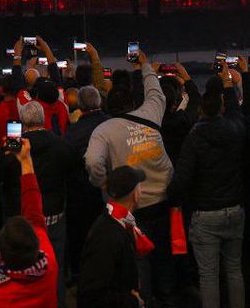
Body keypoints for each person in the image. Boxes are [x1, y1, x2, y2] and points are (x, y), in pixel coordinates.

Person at [84, 49, 172, 306]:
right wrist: (144, 65)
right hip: (163, 200)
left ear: (109, 107)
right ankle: (166, 297)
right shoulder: (150, 114)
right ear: (133, 102)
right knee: (164, 257)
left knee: (139, 262)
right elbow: (156, 92)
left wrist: (103, 183)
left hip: (132, 209)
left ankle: (142, 301)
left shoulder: (104, 130)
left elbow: (91, 161)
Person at [168, 62, 250, 308]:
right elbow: (238, 111)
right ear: (223, 107)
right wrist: (228, 83)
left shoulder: (194, 137)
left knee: (208, 275)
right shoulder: (236, 128)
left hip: (205, 212)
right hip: (234, 209)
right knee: (234, 270)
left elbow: (182, 178)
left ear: (201, 111)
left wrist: (170, 196)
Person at [0, 101, 76, 307]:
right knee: (54, 264)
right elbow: (72, 171)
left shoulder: (14, 149)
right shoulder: (61, 145)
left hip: (20, 216)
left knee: (19, 268)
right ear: (43, 119)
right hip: (54, 214)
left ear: (22, 121)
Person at [0, 138, 57, 308]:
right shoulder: (50, 265)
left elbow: (33, 210)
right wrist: (26, 160)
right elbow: (33, 209)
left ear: (1, 255)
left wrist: (25, 160)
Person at [77, 166, 154, 308]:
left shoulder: (119, 222)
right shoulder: (107, 236)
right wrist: (133, 301)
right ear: (135, 195)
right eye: (139, 187)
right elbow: (93, 294)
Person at [63, 85, 108, 284]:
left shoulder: (73, 132)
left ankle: (80, 275)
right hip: (107, 191)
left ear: (80, 106)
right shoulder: (110, 124)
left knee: (79, 238)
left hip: (80, 194)